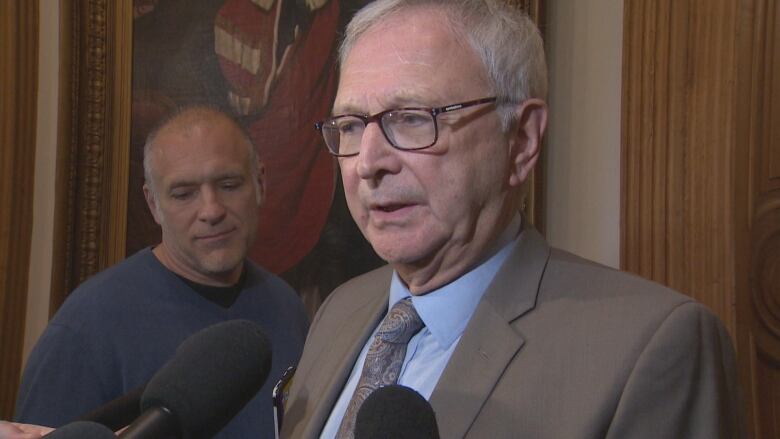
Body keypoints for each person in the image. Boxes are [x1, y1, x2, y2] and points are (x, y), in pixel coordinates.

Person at [280, 1, 742, 438]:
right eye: (351, 126)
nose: (368, 163)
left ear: (521, 140)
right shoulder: (340, 309)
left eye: (412, 118)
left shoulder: (653, 348)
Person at [14, 106, 309, 438]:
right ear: (153, 203)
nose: (211, 210)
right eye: (184, 194)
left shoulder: (288, 307)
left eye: (228, 184)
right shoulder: (84, 330)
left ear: (260, 184)